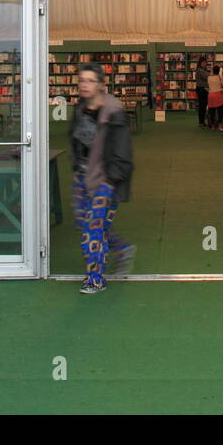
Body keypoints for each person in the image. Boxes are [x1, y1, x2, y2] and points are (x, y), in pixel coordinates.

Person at [69, 63, 135, 294]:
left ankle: (95, 279)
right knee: (82, 222)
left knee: (93, 229)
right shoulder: (80, 108)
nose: (84, 85)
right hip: (83, 176)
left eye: (89, 80)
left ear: (101, 85)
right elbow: (76, 139)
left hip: (106, 179)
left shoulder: (114, 111)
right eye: (81, 80)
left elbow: (122, 150)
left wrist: (111, 180)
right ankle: (123, 248)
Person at [205, 65, 223, 131]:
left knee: (211, 111)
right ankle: (220, 125)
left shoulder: (209, 77)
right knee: (220, 111)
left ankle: (212, 125)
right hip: (218, 94)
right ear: (219, 71)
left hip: (211, 95)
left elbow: (208, 85)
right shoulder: (219, 77)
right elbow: (222, 85)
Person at [194, 57, 210, 128]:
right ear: (200, 63)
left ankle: (202, 122)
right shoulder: (200, 70)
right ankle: (201, 122)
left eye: (205, 62)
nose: (205, 64)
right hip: (201, 89)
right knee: (202, 106)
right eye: (203, 63)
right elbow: (207, 76)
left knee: (203, 106)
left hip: (203, 89)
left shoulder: (202, 70)